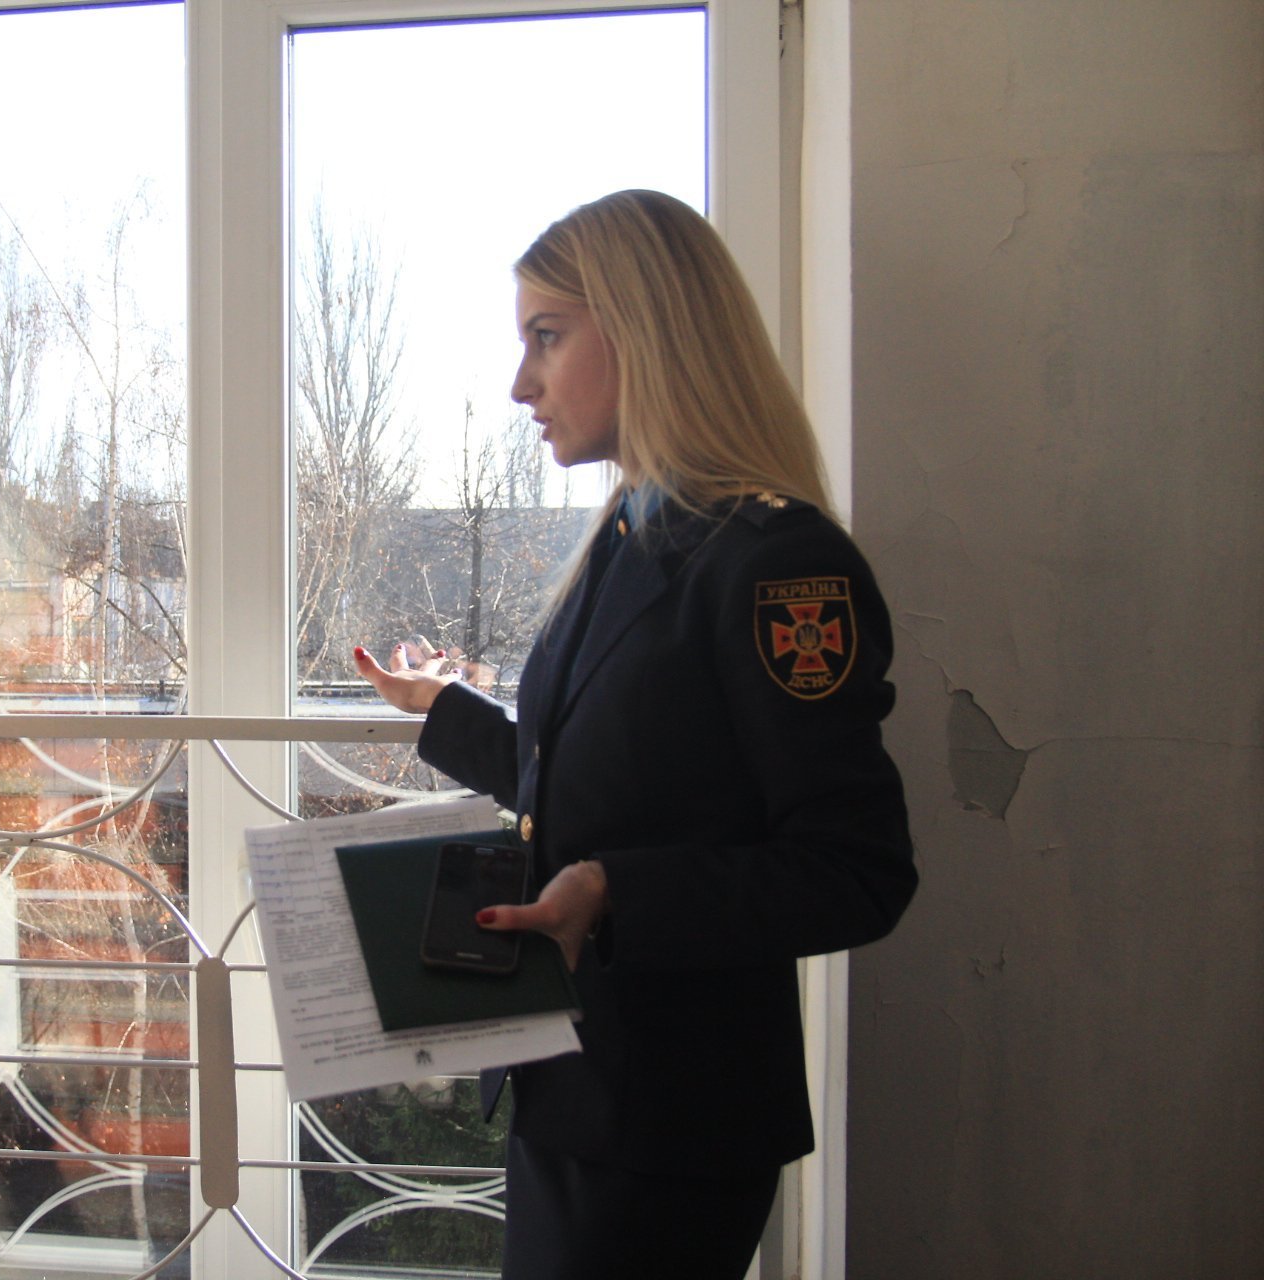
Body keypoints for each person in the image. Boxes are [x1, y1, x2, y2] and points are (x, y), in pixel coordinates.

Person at [354, 189, 916, 1279]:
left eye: (546, 337)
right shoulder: (626, 536)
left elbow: (857, 871)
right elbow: (604, 778)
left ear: (647, 328)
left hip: (671, 1119)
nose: (521, 383)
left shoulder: (779, 566)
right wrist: (445, 712)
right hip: (576, 1089)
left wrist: (614, 893)